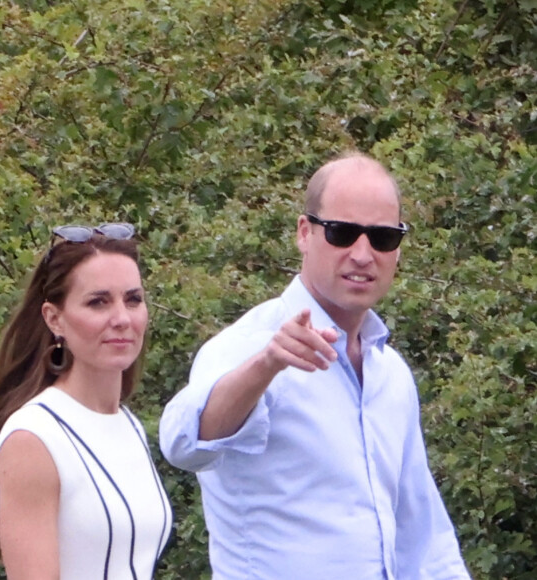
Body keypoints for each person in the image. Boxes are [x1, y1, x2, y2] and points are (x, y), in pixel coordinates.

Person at [159, 153, 471, 580]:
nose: (363, 254)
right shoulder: (251, 344)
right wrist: (266, 365)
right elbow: (183, 442)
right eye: (343, 233)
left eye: (382, 238)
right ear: (304, 233)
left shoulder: (390, 371)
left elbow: (422, 534)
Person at [0, 223, 172, 579]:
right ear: (54, 318)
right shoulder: (33, 438)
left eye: (133, 299)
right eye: (98, 302)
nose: (122, 318)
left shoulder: (127, 424)